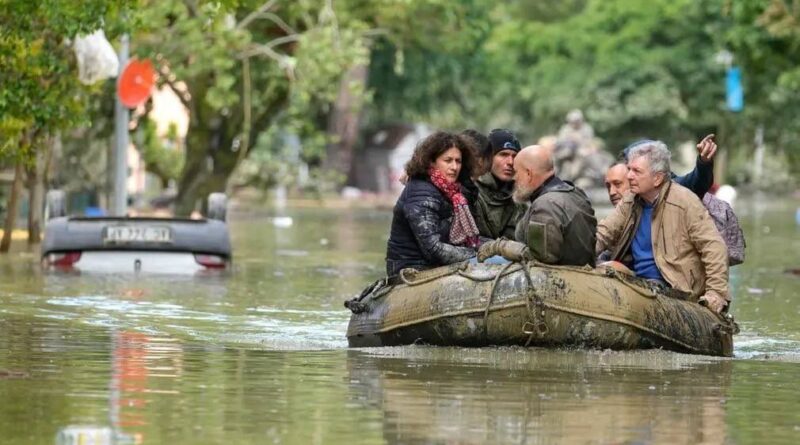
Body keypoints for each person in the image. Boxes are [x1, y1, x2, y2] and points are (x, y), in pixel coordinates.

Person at [596, 140, 730, 314]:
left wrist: (715, 293)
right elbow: (603, 233)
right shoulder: (630, 201)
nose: (629, 176)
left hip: (675, 288)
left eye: (636, 171)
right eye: (629, 169)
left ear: (657, 178)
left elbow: (714, 247)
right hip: (639, 281)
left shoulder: (684, 201)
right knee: (608, 268)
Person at [385, 131, 481, 276]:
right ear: (431, 162)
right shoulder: (420, 192)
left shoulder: (454, 192)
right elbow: (433, 249)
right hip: (411, 270)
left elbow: (470, 237)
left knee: (499, 259)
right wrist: (479, 254)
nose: (454, 167)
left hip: (437, 265)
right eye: (448, 160)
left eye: (458, 161)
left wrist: (498, 246)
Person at [507, 145, 597, 266]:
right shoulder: (576, 192)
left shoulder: (544, 205)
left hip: (564, 279)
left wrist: (502, 247)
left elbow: (541, 260)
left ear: (529, 174)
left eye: (516, 172)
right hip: (584, 273)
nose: (514, 178)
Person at [473, 129, 527, 240]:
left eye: (514, 156)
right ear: (488, 158)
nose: (510, 162)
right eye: (503, 154)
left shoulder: (519, 196)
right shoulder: (472, 192)